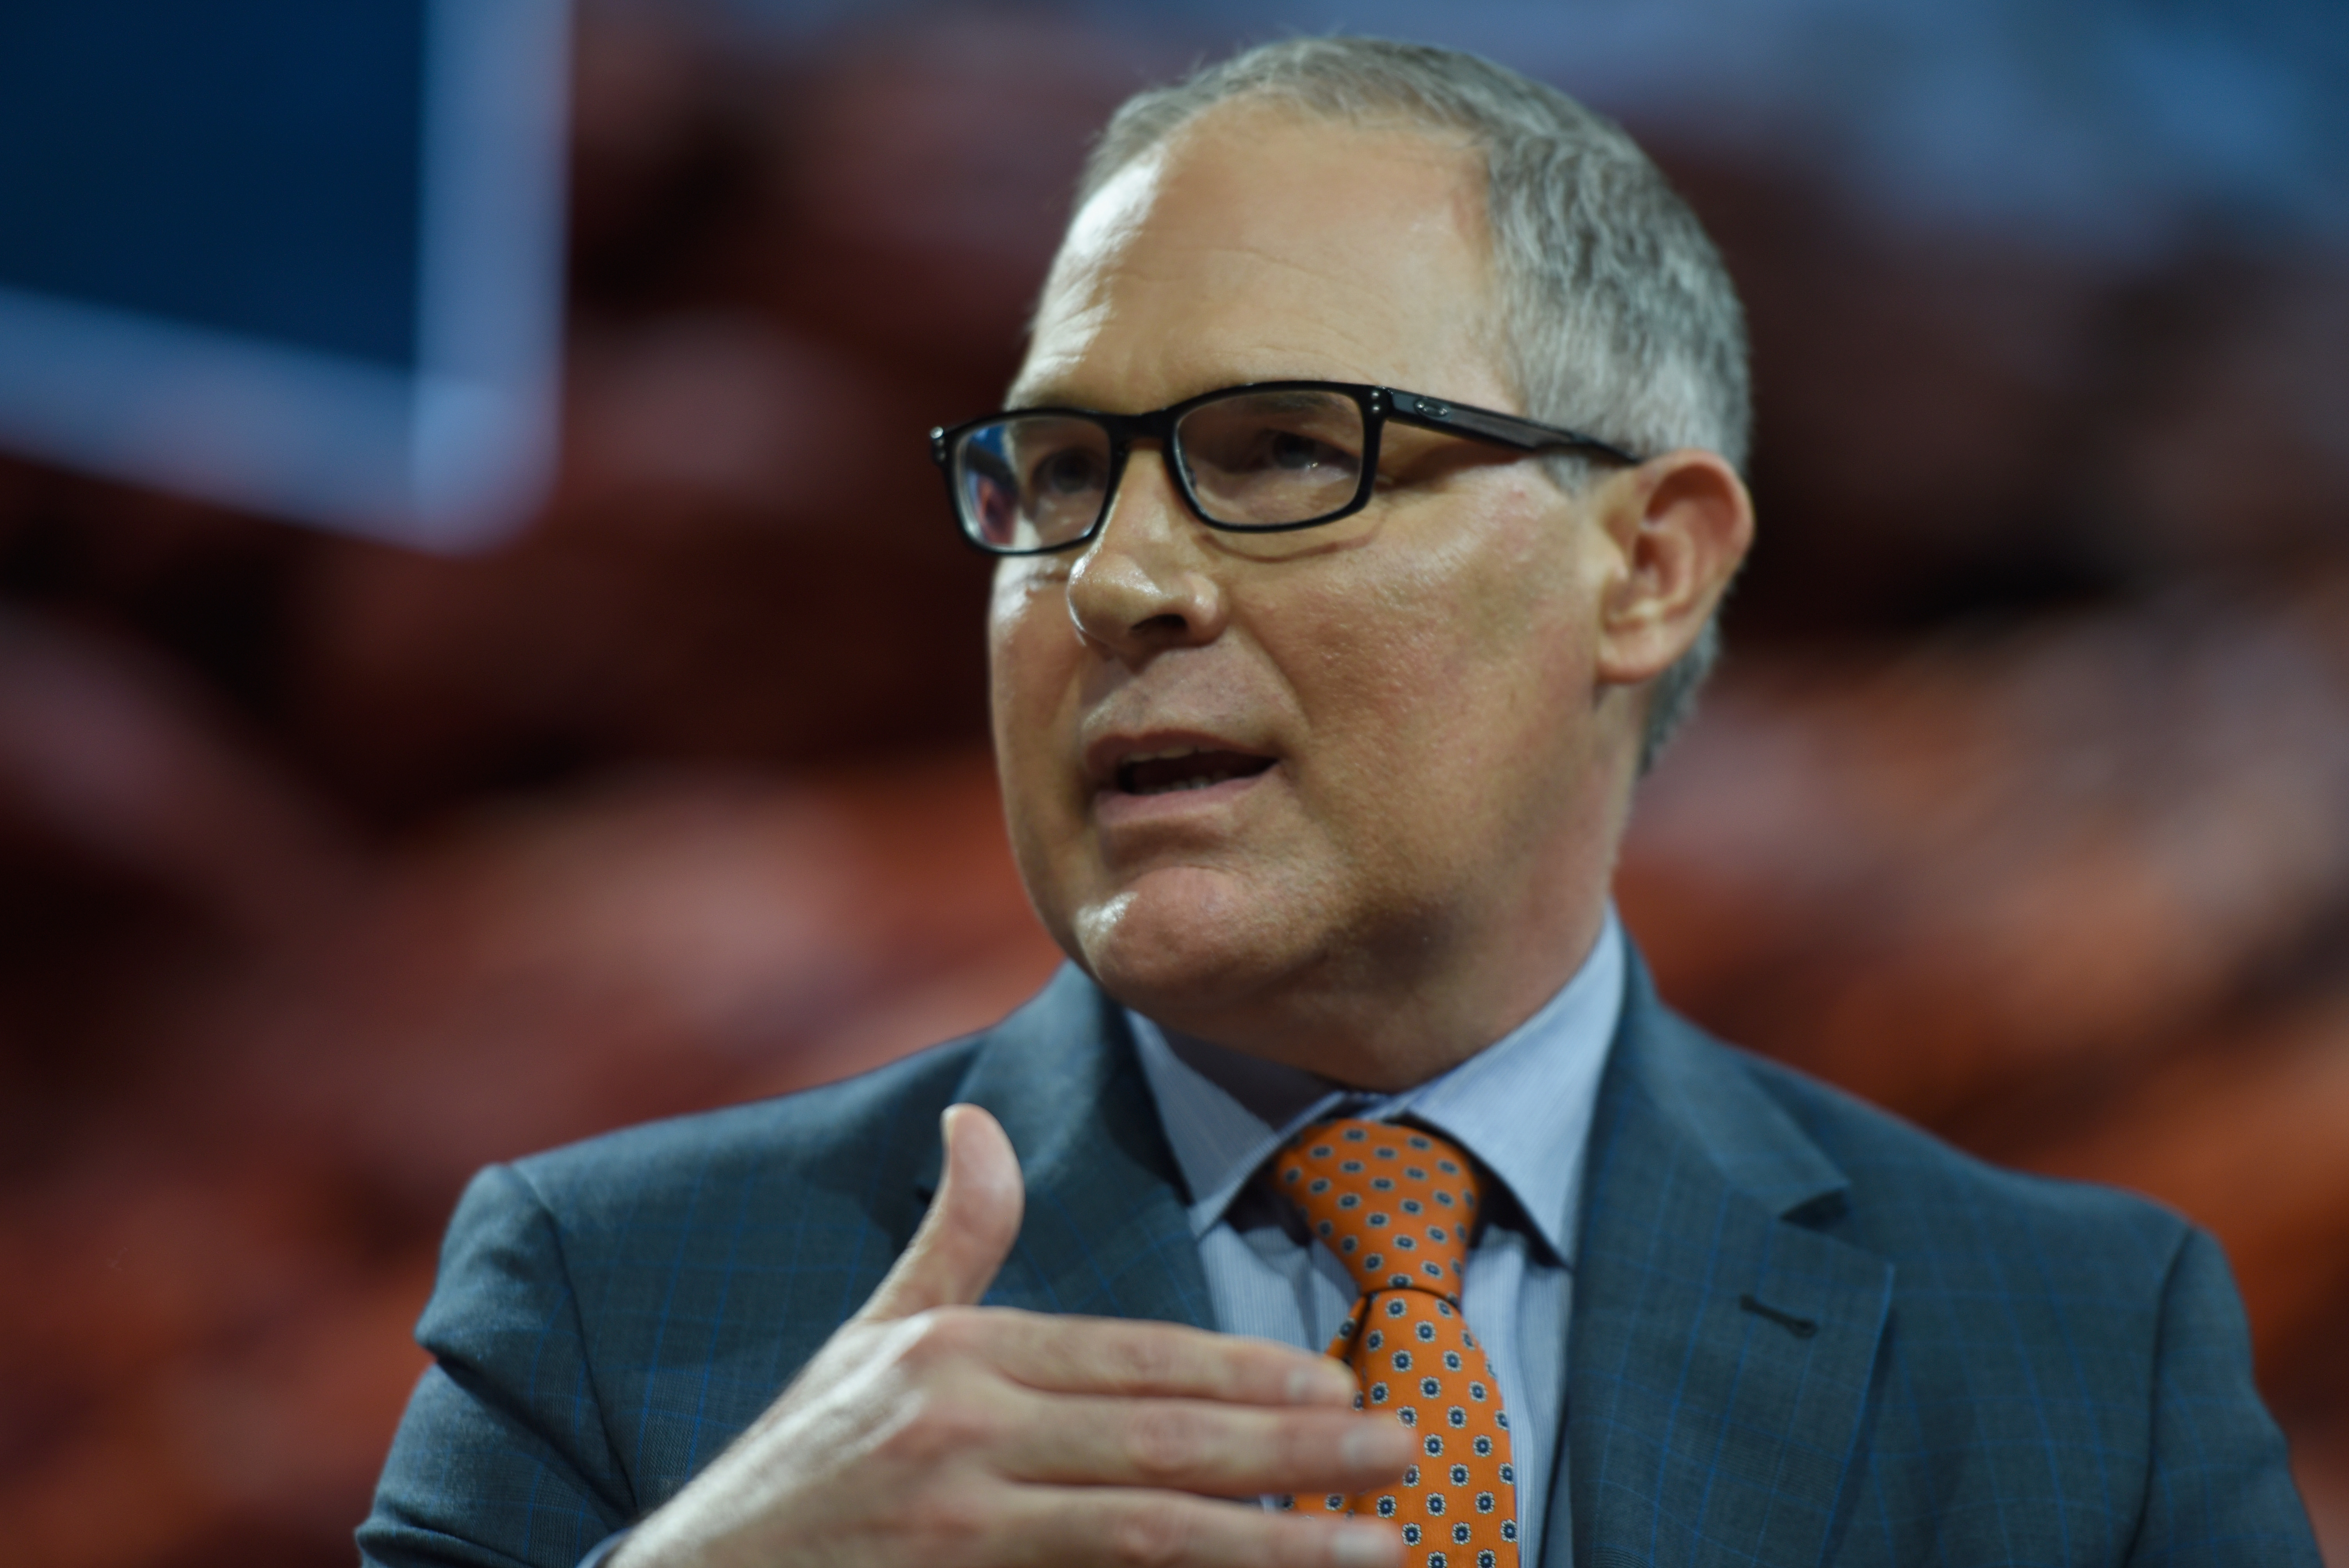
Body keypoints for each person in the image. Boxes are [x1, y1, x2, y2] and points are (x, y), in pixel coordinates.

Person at [358, 36, 2321, 1568]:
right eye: (1055, 472)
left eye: (1291, 455)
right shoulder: (605, 1279)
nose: (1113, 578)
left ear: (1646, 565)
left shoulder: (2089, 1342)